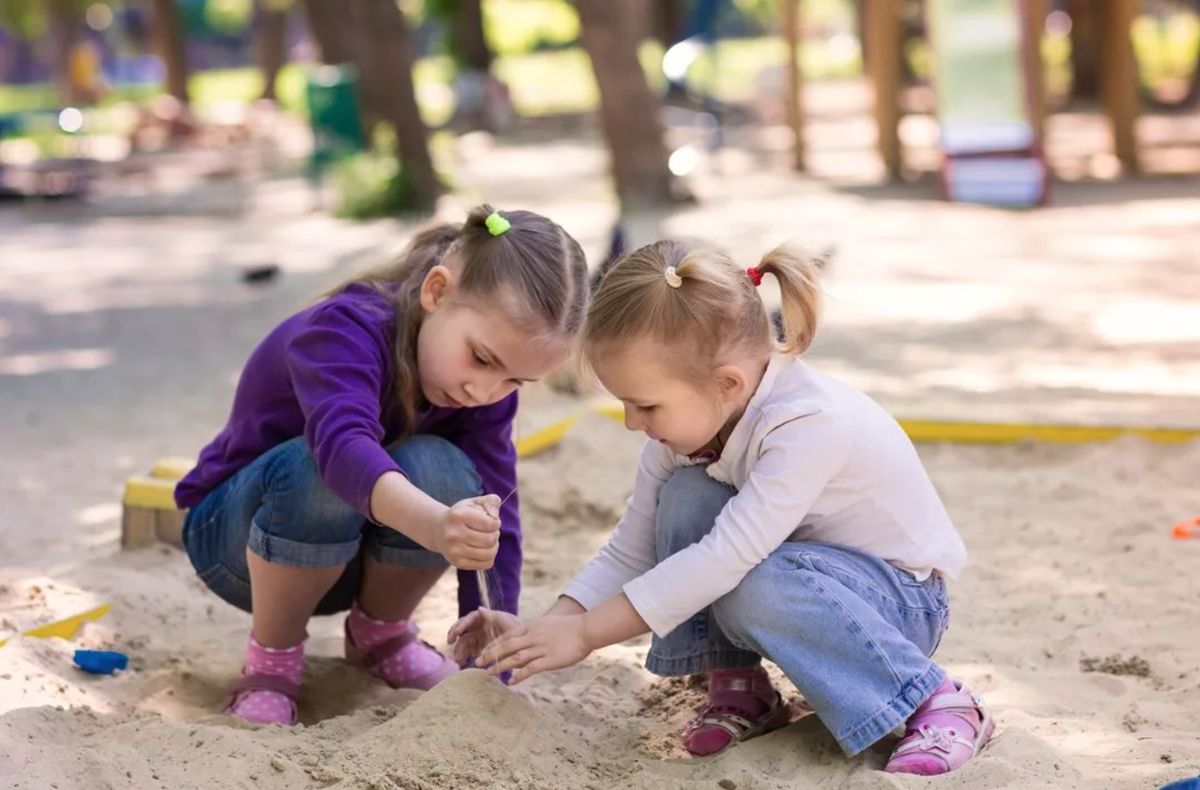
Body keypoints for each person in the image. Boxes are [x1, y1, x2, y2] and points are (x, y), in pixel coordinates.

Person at [450, 239, 991, 775]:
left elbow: (725, 558)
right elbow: (630, 548)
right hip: (801, 585)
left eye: (645, 404)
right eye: (624, 404)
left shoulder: (806, 424)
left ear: (727, 382)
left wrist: (588, 635)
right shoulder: (682, 434)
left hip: (895, 607)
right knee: (687, 496)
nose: (633, 422)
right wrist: (549, 630)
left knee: (748, 581)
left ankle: (934, 697)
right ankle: (737, 683)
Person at [176, 206, 589, 726]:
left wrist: (491, 643)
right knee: (318, 468)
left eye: (514, 381)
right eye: (482, 359)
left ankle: (380, 634)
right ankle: (271, 663)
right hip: (234, 545)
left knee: (447, 469)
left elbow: (496, 508)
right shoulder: (345, 330)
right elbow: (344, 451)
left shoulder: (483, 397)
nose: (485, 391)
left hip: (346, 557)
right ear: (436, 292)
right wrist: (438, 525)